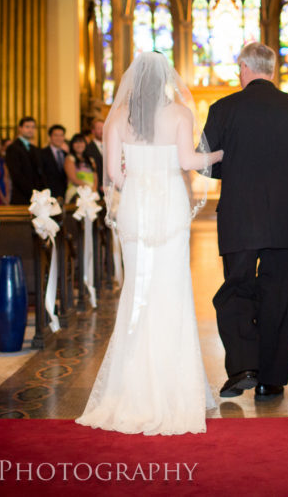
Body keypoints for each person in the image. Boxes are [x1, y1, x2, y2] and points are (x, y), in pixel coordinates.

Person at [75, 51, 223, 436]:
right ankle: (175, 389)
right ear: (166, 80)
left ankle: (131, 389)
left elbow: (111, 174)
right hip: (171, 205)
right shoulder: (179, 113)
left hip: (136, 208)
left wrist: (139, 186)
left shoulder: (118, 116)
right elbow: (190, 162)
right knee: (172, 291)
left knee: (137, 291)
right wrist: (222, 153)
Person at [203, 43, 288, 402]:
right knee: (280, 298)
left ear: (243, 67)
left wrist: (239, 165)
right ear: (273, 70)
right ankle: (270, 380)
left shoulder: (223, 108)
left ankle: (243, 364)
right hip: (287, 222)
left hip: (240, 218)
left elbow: (207, 164)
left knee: (236, 290)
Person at [4, 117, 43, 204]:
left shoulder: (34, 149)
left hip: (37, 196)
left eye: (33, 127)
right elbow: (16, 174)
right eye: (27, 127)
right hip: (21, 196)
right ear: (20, 128)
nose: (30, 130)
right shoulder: (13, 148)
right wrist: (32, 192)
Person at [39, 124, 69, 200]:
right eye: (56, 135)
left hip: (64, 194)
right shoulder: (42, 154)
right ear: (50, 137)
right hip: (48, 194)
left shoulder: (66, 155)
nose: (59, 138)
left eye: (61, 135)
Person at [64, 133, 97, 200]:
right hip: (76, 191)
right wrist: (88, 188)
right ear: (72, 145)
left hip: (91, 190)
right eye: (76, 142)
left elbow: (95, 177)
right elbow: (73, 179)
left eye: (81, 142)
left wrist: (94, 188)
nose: (79, 145)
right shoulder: (69, 159)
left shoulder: (91, 159)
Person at [84, 118, 105, 192]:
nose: (102, 131)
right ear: (93, 131)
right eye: (99, 128)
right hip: (97, 188)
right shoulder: (88, 149)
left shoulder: (111, 146)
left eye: (104, 128)